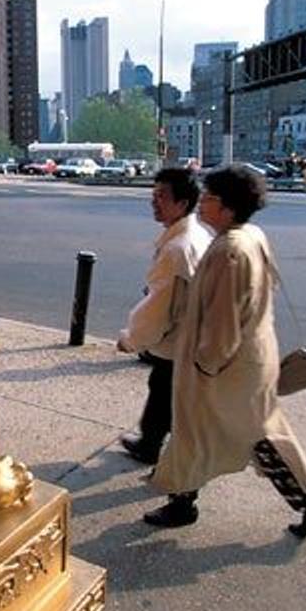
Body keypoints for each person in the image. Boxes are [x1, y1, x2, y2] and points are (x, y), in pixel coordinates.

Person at [144, 164, 306, 539]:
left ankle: (184, 504)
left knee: (204, 432)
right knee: (248, 434)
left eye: (210, 198)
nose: (202, 204)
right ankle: (184, 502)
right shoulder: (250, 235)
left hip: (226, 369)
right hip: (251, 359)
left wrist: (204, 365)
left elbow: (221, 322)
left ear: (228, 207)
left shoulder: (229, 250)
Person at [116, 167, 213, 464]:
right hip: (190, 336)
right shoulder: (197, 234)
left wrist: (131, 339)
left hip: (178, 340)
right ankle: (151, 442)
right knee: (164, 391)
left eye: (161, 197)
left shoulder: (177, 248)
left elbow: (159, 307)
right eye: (153, 195)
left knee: (164, 391)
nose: (154, 202)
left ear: (182, 204)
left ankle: (155, 448)